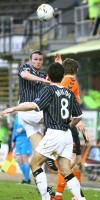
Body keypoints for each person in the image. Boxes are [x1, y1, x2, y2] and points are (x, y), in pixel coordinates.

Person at [1, 62, 86, 200]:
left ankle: (45, 198)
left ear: (49, 76)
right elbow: (78, 116)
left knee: (34, 164)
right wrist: (70, 127)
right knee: (66, 171)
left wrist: (14, 108)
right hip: (66, 135)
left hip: (54, 133)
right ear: (62, 76)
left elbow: (34, 105)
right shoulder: (69, 93)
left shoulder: (48, 90)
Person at [54, 54, 90, 200]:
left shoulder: (64, 80)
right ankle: (59, 195)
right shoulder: (71, 80)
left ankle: (73, 196)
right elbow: (66, 103)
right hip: (67, 125)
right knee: (70, 163)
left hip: (70, 125)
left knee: (77, 164)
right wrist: (76, 120)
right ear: (75, 69)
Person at [11, 113, 32, 184]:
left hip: (25, 139)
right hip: (18, 140)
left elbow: (31, 127)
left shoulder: (27, 115)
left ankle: (26, 179)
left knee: (24, 158)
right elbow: (14, 128)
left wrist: (22, 130)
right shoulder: (16, 116)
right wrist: (13, 140)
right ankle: (27, 178)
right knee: (18, 159)